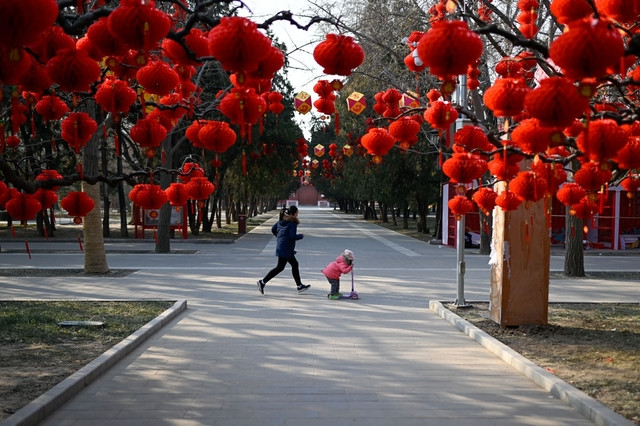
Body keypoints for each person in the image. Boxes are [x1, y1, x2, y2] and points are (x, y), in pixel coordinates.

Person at [257, 205, 310, 295]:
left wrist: (280, 237)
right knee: (281, 267)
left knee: (292, 265)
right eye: (297, 213)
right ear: (293, 214)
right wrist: (301, 236)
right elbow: (292, 236)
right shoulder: (292, 223)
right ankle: (262, 282)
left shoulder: (281, 221)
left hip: (282, 247)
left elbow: (273, 229)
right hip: (286, 249)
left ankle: (299, 286)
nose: (297, 215)